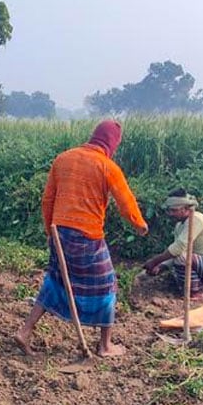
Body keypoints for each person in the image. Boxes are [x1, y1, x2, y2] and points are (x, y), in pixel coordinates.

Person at [14, 120, 149, 357]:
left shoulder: (63, 158)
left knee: (55, 281)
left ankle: (25, 331)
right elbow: (126, 202)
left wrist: (50, 233)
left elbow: (47, 200)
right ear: (112, 143)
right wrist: (140, 225)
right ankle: (106, 346)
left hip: (59, 233)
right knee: (107, 284)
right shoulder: (107, 167)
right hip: (87, 236)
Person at [142, 188, 203, 302]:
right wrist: (162, 266)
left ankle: (199, 292)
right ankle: (201, 285)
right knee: (180, 260)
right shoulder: (180, 225)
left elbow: (178, 250)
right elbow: (177, 251)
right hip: (202, 266)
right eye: (170, 210)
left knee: (182, 259)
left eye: (174, 210)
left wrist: (155, 261)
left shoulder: (195, 219)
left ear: (185, 209)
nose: (171, 213)